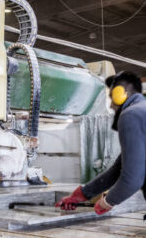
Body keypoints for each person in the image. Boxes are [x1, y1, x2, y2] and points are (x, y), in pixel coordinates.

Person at [56, 71, 146, 215]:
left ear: (122, 92)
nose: (110, 105)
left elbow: (133, 179)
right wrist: (82, 194)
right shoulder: (142, 111)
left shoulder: (131, 115)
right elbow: (119, 168)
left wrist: (107, 202)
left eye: (111, 98)